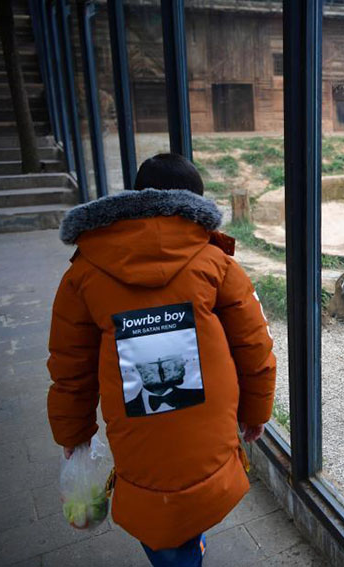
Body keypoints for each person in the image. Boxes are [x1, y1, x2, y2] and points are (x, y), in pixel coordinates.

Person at [47, 153, 276, 566]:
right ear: (195, 204)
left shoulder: (83, 273)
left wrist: (74, 432)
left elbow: (70, 367)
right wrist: (256, 410)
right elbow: (254, 347)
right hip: (207, 427)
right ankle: (188, 546)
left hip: (136, 430)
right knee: (189, 505)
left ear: (138, 197)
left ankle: (181, 548)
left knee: (160, 512)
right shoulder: (216, 263)